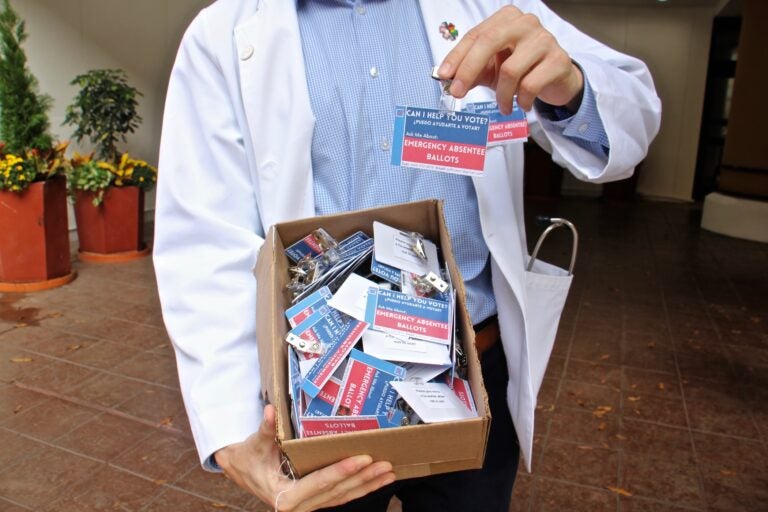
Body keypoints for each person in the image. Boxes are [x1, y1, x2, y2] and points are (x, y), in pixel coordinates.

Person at [154, 1, 661, 510]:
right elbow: (203, 238)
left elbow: (632, 115)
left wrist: (568, 88)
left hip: (471, 374)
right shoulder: (226, 31)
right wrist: (230, 430)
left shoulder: (489, 6)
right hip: (322, 392)